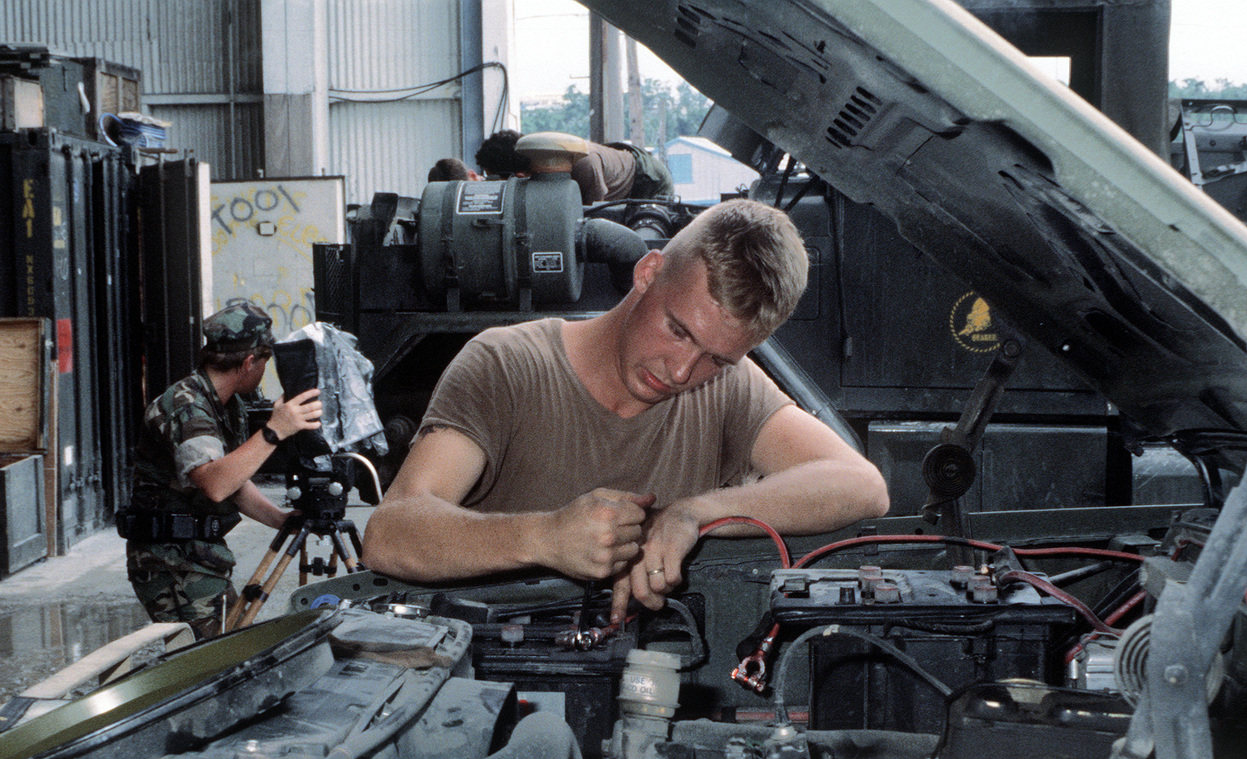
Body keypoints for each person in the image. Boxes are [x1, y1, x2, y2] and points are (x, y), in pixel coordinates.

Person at [362, 198, 890, 623]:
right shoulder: (508, 364)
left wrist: (692, 514)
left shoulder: (726, 387)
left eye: (715, 357)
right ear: (647, 271)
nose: (682, 372)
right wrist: (544, 537)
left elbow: (861, 485)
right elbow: (391, 535)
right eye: (677, 330)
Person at [124, 300, 322, 638]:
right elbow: (215, 482)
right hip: (171, 562)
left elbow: (235, 480)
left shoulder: (228, 407)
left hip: (200, 556)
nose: (265, 369)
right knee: (208, 661)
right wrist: (274, 432)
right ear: (249, 362)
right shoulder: (187, 406)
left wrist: (282, 520)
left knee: (230, 646)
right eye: (265, 361)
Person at [475, 129, 674, 204]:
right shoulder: (536, 165)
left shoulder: (580, 163)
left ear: (518, 175)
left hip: (646, 180)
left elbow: (598, 214)